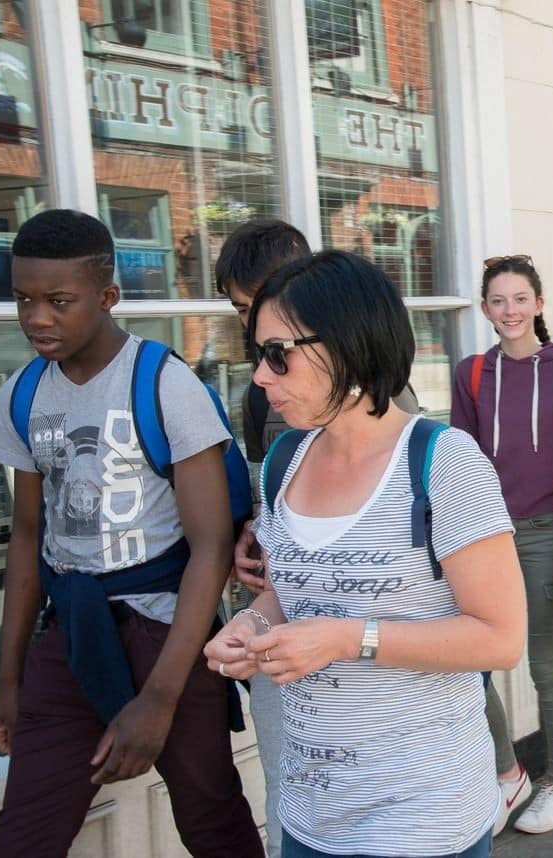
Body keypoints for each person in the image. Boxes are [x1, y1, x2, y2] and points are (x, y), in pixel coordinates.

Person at [205, 250, 526, 858]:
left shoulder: (444, 463)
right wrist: (251, 626)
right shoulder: (283, 461)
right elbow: (291, 593)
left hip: (423, 818)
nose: (261, 376)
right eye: (258, 355)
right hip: (309, 815)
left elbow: (501, 638)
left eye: (278, 354)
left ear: (347, 346)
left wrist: (349, 639)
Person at [0, 209, 262, 856]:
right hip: (72, 626)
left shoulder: (162, 382)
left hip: (167, 629)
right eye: (23, 300)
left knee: (211, 820)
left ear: (107, 296)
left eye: (59, 301)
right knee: (23, 834)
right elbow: (27, 537)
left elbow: (209, 546)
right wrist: (10, 679)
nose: (37, 318)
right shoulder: (22, 394)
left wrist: (160, 697)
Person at [450, 254, 553, 835]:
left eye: (520, 299)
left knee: (544, 663)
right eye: (499, 301)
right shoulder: (472, 373)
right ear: (485, 308)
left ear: (539, 304)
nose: (510, 311)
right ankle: (508, 773)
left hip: (547, 533)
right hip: (484, 534)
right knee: (472, 662)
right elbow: (460, 461)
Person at [214, 218, 310, 858]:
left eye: (260, 304)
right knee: (288, 789)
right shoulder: (259, 392)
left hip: (363, 640)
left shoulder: (385, 393)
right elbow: (264, 490)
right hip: (280, 617)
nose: (252, 325)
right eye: (241, 310)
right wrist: (252, 531)